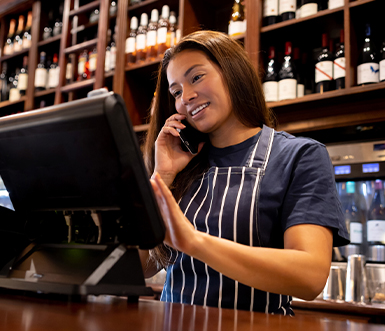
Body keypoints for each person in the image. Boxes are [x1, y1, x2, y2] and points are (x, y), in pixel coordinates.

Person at [140, 30, 349, 315]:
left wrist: (195, 242)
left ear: (233, 72)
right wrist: (162, 178)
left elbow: (310, 277)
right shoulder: (182, 167)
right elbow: (141, 267)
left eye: (196, 77)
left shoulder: (299, 156)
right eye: (176, 91)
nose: (186, 97)